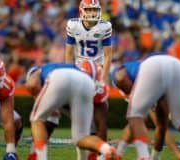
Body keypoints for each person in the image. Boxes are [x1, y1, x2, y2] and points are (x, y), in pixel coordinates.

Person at [117, 55, 180, 159]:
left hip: (157, 71)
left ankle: (141, 155)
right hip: (178, 68)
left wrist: (179, 153)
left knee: (137, 117)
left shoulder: (160, 90)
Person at [29, 61, 118, 160]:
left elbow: (32, 85)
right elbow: (101, 121)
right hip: (85, 83)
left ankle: (40, 158)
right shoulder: (81, 71)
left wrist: (43, 103)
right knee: (80, 137)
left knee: (37, 120)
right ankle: (106, 149)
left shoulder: (39, 71)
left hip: (59, 78)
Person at [65, 1, 112, 153]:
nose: (93, 13)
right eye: (89, 9)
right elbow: (68, 53)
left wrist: (103, 79)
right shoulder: (73, 25)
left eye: (95, 10)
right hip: (80, 70)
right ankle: (86, 139)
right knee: (81, 109)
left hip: (97, 70)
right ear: (81, 10)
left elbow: (108, 55)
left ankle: (101, 147)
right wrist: (69, 72)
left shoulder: (104, 26)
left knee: (102, 108)